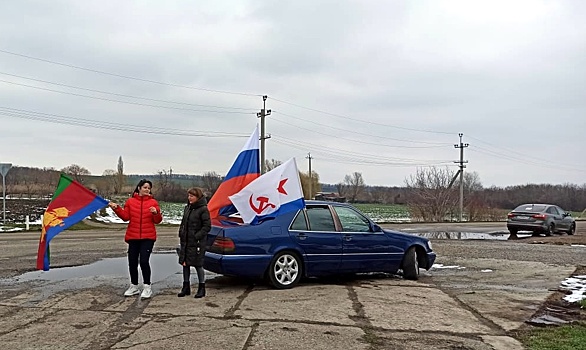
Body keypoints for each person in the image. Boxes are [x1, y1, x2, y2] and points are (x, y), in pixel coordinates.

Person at [108, 179, 162, 299]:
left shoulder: (153, 202)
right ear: (139, 188)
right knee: (132, 263)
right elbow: (125, 217)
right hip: (133, 236)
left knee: (144, 261)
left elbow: (158, 220)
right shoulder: (130, 202)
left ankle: (147, 287)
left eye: (149, 188)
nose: (147, 190)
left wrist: (155, 213)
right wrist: (116, 208)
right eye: (145, 187)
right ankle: (134, 286)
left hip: (148, 237)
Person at [177, 187, 211, 298]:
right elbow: (183, 222)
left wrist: (197, 236)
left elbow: (207, 226)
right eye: (189, 196)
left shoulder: (203, 209)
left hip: (197, 242)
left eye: (192, 196)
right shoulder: (188, 208)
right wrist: (181, 233)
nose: (189, 198)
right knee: (185, 263)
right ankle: (186, 287)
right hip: (186, 241)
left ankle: (202, 288)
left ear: (197, 197)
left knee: (198, 264)